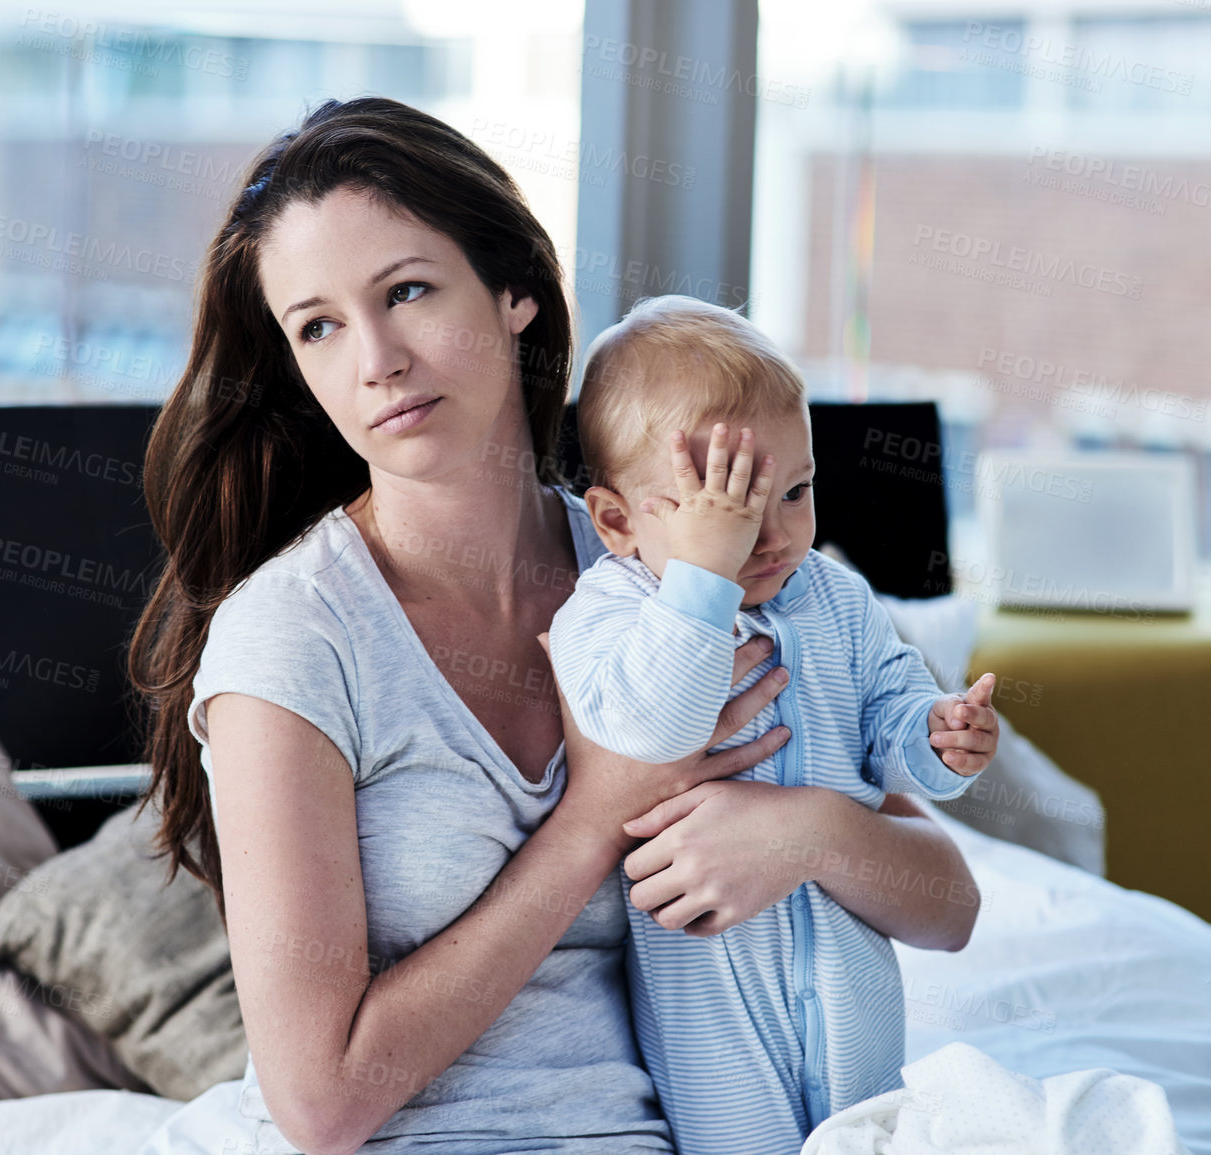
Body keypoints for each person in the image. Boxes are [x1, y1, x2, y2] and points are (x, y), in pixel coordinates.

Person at [126, 95, 980, 1155]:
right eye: (319, 326)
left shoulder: (671, 571)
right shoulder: (295, 639)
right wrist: (595, 820)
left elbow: (946, 903)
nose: (377, 358)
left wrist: (807, 832)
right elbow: (321, 1105)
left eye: (407, 291)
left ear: (514, 292)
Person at [547, 295, 1001, 1153]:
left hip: (850, 967)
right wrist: (702, 582)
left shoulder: (835, 595)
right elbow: (652, 723)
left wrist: (937, 739)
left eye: (794, 492)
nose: (772, 535)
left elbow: (886, 721)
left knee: (866, 1130)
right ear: (616, 520)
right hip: (712, 1003)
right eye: (725, 514)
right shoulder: (611, 609)